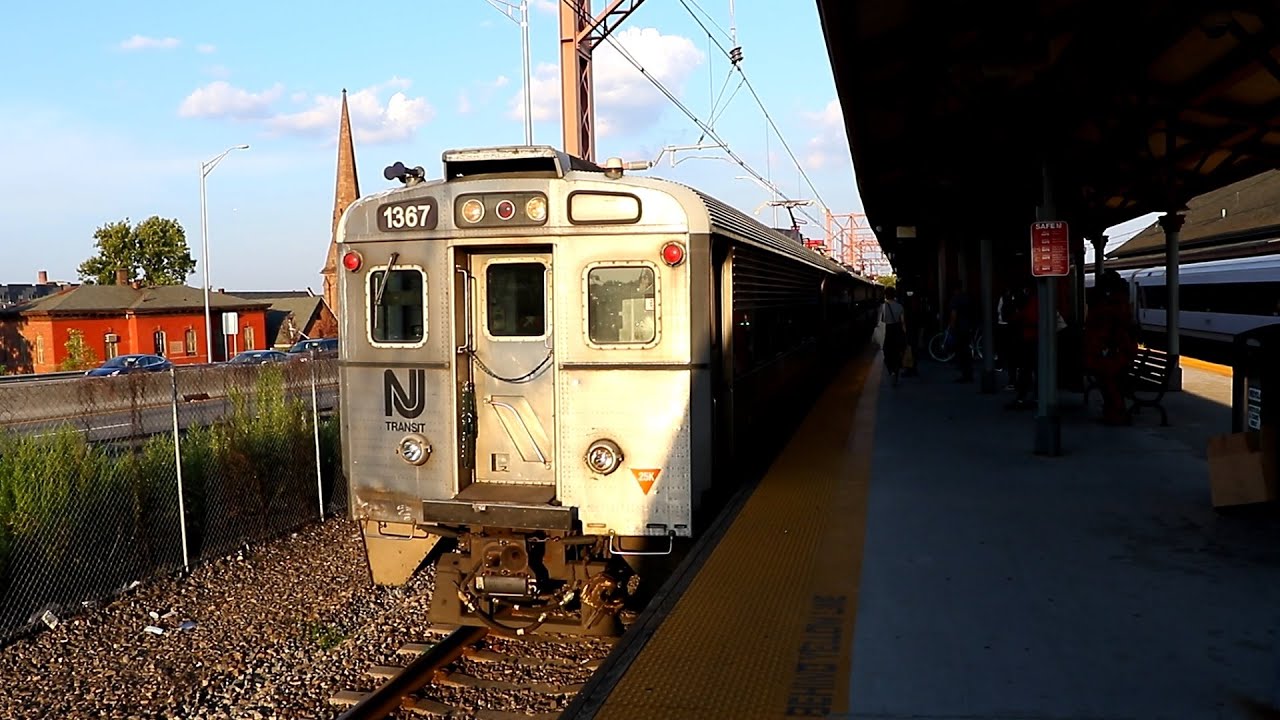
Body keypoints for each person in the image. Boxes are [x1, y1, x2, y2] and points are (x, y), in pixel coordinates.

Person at [1083, 270, 1138, 425]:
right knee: (1109, 383)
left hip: (1110, 351)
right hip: (1112, 349)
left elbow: (1108, 327)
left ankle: (1116, 413)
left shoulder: (1107, 304)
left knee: (1110, 383)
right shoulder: (1119, 302)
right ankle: (1113, 412)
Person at [879, 287, 907, 386]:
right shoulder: (900, 306)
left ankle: (891, 371)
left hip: (887, 330)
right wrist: (904, 333)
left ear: (886, 295)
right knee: (897, 352)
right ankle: (896, 370)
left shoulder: (883, 307)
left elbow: (880, 321)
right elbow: (902, 322)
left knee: (887, 352)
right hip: (897, 330)